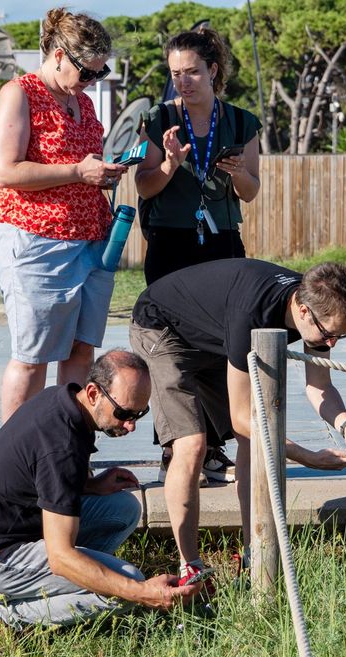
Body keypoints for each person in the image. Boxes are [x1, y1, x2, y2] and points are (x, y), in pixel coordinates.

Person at [128, 259, 346, 583]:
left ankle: (253, 553)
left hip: (211, 335)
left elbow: (319, 385)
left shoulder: (318, 305)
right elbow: (242, 418)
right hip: (161, 328)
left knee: (252, 440)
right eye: (329, 335)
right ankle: (191, 567)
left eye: (341, 335)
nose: (331, 344)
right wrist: (308, 458)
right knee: (192, 444)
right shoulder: (253, 313)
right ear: (302, 310)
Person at [0, 350, 202, 649]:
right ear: (93, 392)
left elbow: (40, 478)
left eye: (139, 415)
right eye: (124, 413)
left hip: (16, 534)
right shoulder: (60, 447)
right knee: (125, 584)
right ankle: (1, 619)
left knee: (122, 509)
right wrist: (140, 592)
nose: (131, 425)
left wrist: (90, 485)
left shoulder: (65, 401)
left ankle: (63, 591)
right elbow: (61, 558)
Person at [133, 27, 263, 481]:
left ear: (213, 70)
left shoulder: (242, 122)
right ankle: (177, 443)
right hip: (170, 242)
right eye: (175, 74)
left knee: (219, 344)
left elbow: (250, 193)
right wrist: (167, 164)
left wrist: (239, 171)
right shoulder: (157, 117)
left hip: (222, 242)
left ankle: (211, 446)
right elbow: (144, 186)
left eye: (191, 72)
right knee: (169, 348)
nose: (182, 83)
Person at [0, 8, 127, 422]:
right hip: (35, 238)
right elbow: (6, 170)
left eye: (100, 74)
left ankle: (67, 449)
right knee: (34, 356)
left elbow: (79, 164)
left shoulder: (81, 100)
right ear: (59, 54)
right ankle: (17, 460)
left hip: (90, 240)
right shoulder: (20, 93)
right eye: (87, 72)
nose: (91, 82)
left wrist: (100, 174)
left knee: (82, 351)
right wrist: (78, 170)